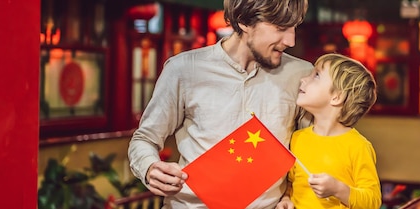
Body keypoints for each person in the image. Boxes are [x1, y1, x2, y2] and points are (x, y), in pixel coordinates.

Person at [127, 0, 312, 208]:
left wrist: (289, 194)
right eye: (280, 28)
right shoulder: (184, 69)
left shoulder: (302, 75)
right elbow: (144, 138)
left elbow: (311, 150)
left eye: (294, 27)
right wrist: (150, 167)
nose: (291, 40)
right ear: (244, 21)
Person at [276, 53, 381, 209]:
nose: (304, 79)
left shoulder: (358, 147)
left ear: (337, 97)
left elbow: (372, 201)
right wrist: (286, 199)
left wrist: (339, 189)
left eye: (316, 75)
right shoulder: (297, 138)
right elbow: (292, 183)